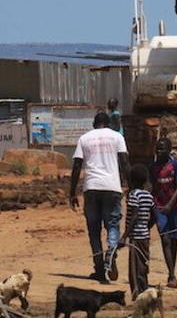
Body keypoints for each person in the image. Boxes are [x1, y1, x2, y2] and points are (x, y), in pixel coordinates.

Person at [69, 111, 129, 283]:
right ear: (109, 124)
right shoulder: (117, 137)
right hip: (112, 187)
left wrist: (72, 192)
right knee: (112, 224)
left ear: (94, 124)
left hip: (91, 188)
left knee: (94, 231)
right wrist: (131, 186)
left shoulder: (84, 138)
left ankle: (99, 269)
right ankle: (111, 252)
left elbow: (77, 166)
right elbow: (124, 162)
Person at [149, 137, 177, 289]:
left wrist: (171, 203)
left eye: (162, 148)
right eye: (157, 148)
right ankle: (171, 275)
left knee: (173, 239)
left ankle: (172, 269)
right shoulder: (153, 167)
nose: (159, 151)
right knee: (165, 239)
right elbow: (151, 186)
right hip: (159, 208)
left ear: (169, 150)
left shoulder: (174, 165)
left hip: (172, 208)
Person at [120, 163, 155, 300]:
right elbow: (154, 215)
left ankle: (137, 295)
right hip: (145, 237)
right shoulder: (149, 196)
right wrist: (146, 226)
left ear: (132, 180)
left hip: (135, 238)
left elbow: (134, 216)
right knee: (143, 266)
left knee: (134, 268)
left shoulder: (134, 195)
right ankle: (144, 290)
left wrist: (124, 236)